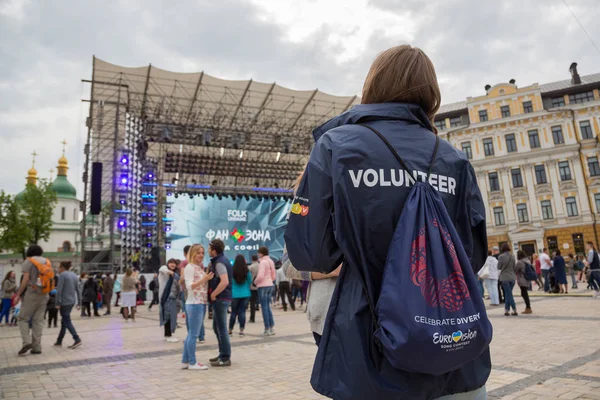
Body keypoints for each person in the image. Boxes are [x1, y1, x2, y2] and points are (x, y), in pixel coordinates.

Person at [284, 45, 490, 399]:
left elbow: (311, 255)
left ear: (372, 85)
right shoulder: (454, 158)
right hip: (449, 342)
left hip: (366, 345)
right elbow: (472, 256)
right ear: (432, 93)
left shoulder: (335, 146)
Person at [14, 245, 51, 356]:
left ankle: (26, 342)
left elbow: (25, 279)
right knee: (38, 320)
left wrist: (18, 294)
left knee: (22, 318)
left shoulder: (28, 261)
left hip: (32, 293)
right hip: (44, 293)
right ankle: (36, 347)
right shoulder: (47, 261)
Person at [182, 244, 213, 370]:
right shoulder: (190, 267)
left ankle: (185, 360)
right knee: (194, 334)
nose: (201, 255)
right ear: (192, 253)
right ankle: (192, 362)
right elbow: (189, 286)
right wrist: (204, 279)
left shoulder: (198, 267)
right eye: (198, 253)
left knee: (191, 334)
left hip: (199, 302)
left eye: (202, 253)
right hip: (195, 303)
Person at [207, 239, 233, 367]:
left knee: (221, 328)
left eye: (209, 248)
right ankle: (222, 353)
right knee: (217, 327)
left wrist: (213, 294)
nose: (207, 250)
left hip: (221, 298)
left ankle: (225, 357)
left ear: (214, 250)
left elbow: (224, 281)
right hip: (222, 298)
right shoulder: (220, 261)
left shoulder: (219, 263)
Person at [54, 261, 82, 349]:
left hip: (64, 301)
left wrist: (57, 302)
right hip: (71, 301)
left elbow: (59, 290)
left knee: (66, 320)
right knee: (64, 321)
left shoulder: (62, 275)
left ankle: (76, 338)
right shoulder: (74, 275)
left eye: (59, 267)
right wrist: (79, 302)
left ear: (62, 267)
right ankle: (59, 340)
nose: (58, 269)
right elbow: (78, 289)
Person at [255, 246, 276, 336]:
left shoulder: (262, 262)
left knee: (264, 307)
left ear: (261, 253)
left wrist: (255, 282)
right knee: (268, 307)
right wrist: (270, 280)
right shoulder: (270, 261)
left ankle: (266, 328)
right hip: (270, 284)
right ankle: (271, 327)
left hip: (263, 285)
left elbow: (260, 276)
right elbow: (273, 275)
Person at [229, 255, 252, 337]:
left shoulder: (232, 270)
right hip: (245, 294)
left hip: (234, 294)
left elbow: (229, 282)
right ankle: (241, 331)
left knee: (233, 312)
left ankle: (230, 330)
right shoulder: (246, 270)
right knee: (242, 312)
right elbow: (250, 281)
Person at [160, 259, 181, 343]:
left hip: (173, 298)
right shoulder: (164, 270)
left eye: (174, 263)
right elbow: (162, 269)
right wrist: (172, 273)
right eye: (171, 263)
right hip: (166, 297)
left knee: (171, 316)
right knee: (168, 316)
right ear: (167, 264)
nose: (172, 264)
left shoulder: (176, 274)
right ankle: (168, 335)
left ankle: (168, 334)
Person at [498, 243, 518, 316]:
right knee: (508, 293)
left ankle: (514, 309)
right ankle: (506, 310)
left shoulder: (501, 256)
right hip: (512, 277)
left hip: (504, 277)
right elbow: (514, 267)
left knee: (508, 294)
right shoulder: (512, 256)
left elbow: (499, 267)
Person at [248, 255, 260, 323]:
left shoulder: (250, 267)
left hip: (252, 286)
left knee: (252, 302)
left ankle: (252, 318)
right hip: (261, 285)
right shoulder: (260, 266)